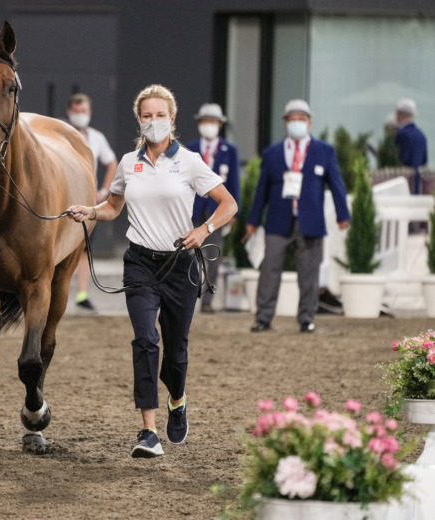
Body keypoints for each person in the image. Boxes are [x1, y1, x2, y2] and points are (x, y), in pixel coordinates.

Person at [67, 84, 237, 458]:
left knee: (175, 354)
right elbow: (113, 206)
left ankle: (177, 398)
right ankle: (148, 431)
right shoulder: (129, 162)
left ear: (172, 119)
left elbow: (229, 204)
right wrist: (90, 211)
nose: (154, 121)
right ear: (139, 120)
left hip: (181, 268)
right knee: (145, 341)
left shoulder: (190, 161)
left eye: (161, 115)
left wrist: (203, 229)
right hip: (140, 263)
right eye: (147, 115)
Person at [245, 99, 351, 334]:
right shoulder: (272, 153)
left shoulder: (324, 151)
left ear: (309, 123)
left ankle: (306, 318)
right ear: (285, 123)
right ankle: (263, 317)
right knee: (269, 270)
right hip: (277, 220)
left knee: (309, 273)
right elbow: (261, 190)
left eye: (300, 120)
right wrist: (252, 221)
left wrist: (343, 214)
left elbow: (336, 185)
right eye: (292, 120)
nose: (296, 124)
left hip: (311, 221)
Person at [66, 93, 117, 312]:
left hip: (88, 202)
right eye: (76, 112)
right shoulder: (61, 133)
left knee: (84, 250)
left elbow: (112, 162)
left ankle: (82, 294)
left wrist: (103, 191)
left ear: (90, 112)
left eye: (83, 111)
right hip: (64, 200)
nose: (80, 115)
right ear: (70, 113)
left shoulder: (96, 137)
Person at [186, 103, 240, 313]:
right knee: (190, 256)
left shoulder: (229, 150)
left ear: (219, 125)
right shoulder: (189, 148)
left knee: (214, 256)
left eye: (213, 122)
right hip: (193, 209)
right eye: (205, 121)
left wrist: (234, 212)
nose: (209, 125)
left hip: (217, 210)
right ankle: (189, 296)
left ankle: (207, 300)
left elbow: (234, 181)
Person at [394, 98, 428, 194]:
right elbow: (424, 160)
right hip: (418, 182)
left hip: (402, 181)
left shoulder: (401, 134)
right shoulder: (421, 135)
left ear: (400, 115)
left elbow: (399, 159)